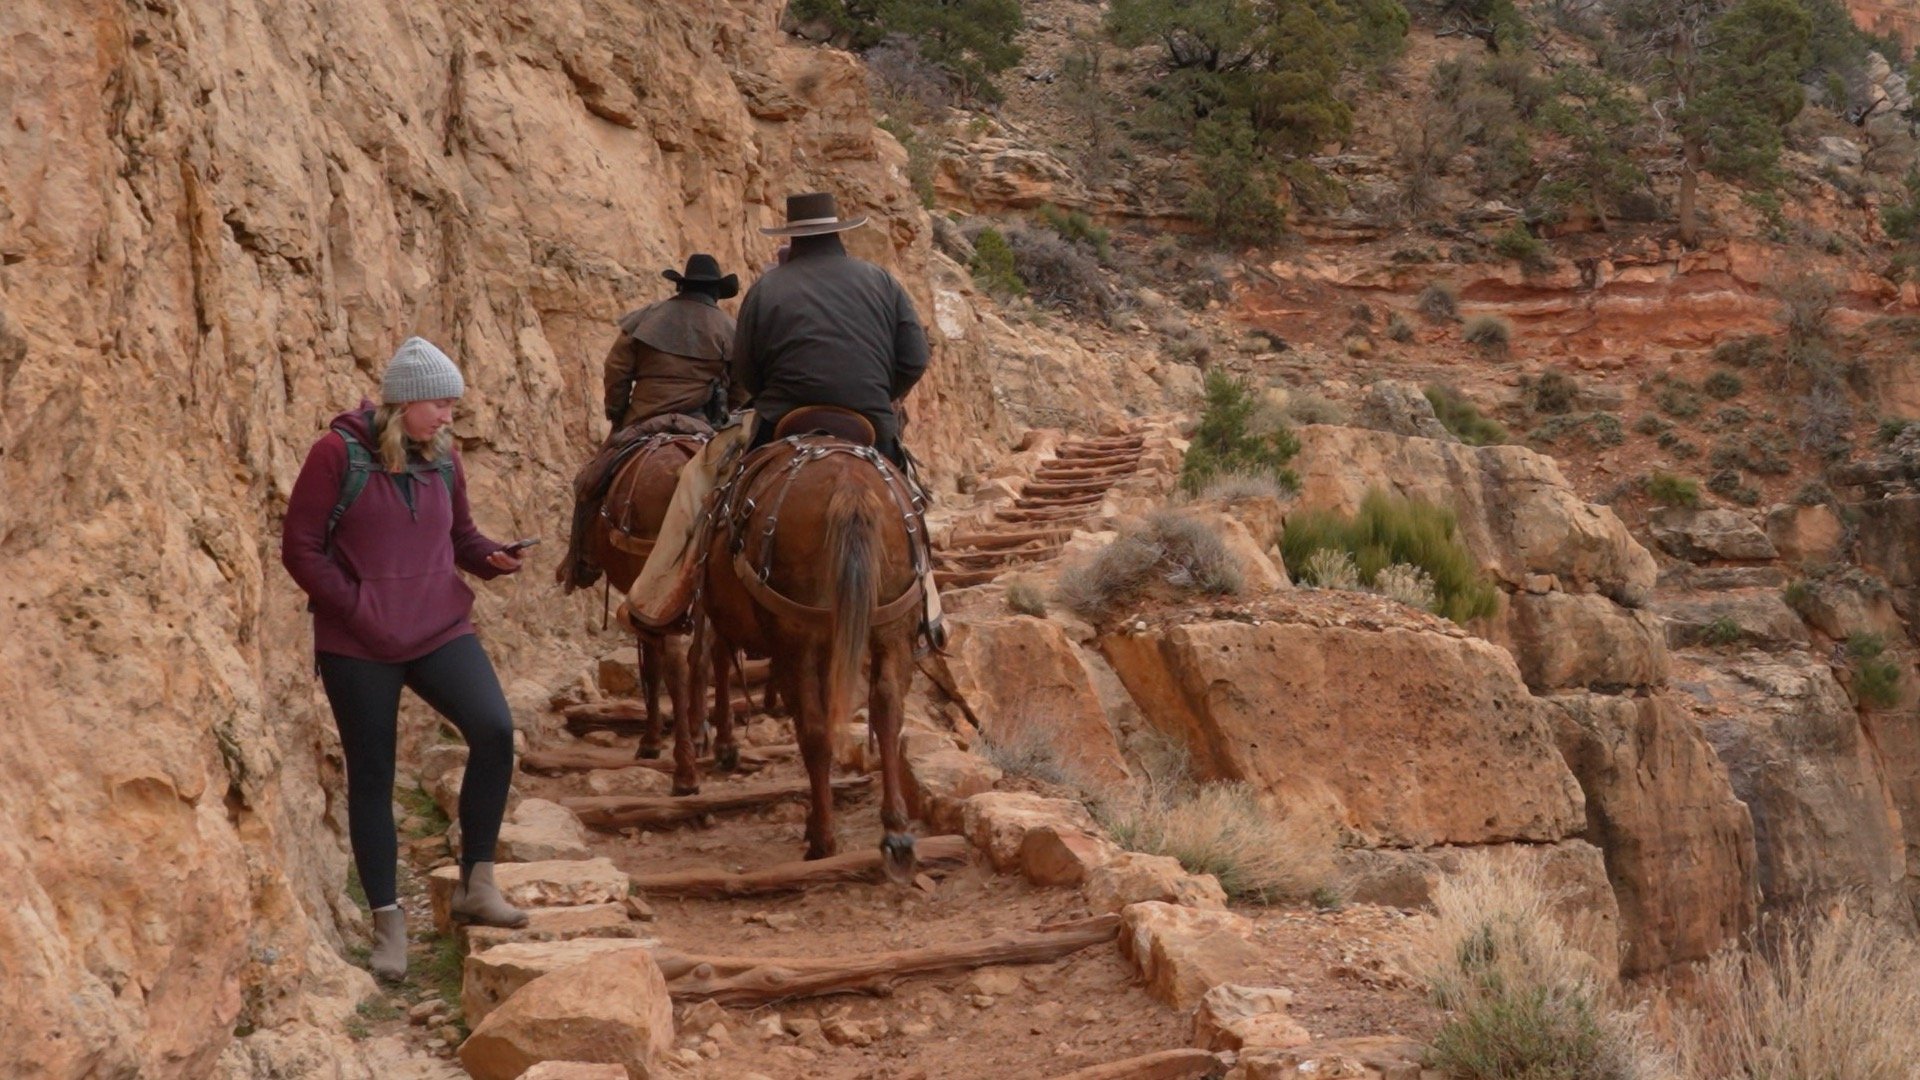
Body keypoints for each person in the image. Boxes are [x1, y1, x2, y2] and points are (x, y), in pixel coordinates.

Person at [281, 337, 530, 982]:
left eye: (452, 403)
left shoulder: (444, 459)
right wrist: (358, 607)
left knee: (495, 730)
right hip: (357, 643)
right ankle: (389, 926)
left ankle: (477, 883)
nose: (449, 415)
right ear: (405, 401)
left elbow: (460, 537)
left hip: (438, 628)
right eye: (440, 403)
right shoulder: (337, 454)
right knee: (373, 776)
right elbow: (300, 549)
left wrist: (491, 557)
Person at [621, 192, 941, 644]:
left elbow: (747, 372)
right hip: (868, 416)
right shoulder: (881, 280)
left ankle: (664, 600)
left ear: (794, 237)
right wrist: (879, 396)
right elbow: (914, 357)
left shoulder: (767, 289)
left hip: (783, 416)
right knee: (909, 500)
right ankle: (928, 609)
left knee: (702, 481)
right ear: (837, 233)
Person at [557, 254, 739, 592]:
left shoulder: (646, 320)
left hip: (642, 421)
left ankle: (582, 562)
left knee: (588, 483)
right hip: (701, 426)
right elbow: (741, 388)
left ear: (680, 285)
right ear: (717, 293)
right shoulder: (730, 330)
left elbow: (616, 372)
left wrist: (618, 412)